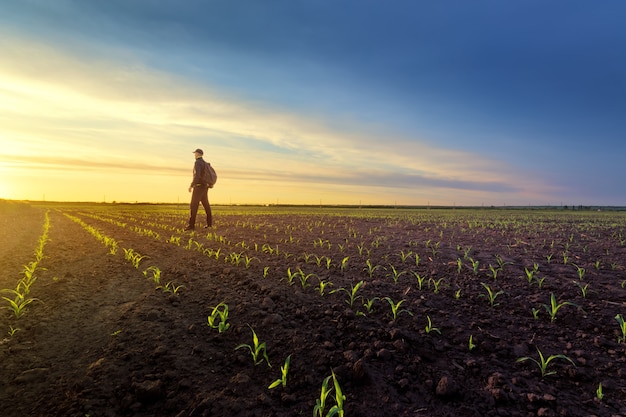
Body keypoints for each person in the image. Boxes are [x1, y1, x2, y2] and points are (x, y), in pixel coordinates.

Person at [185, 148, 212, 230]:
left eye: (195, 153)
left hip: (199, 186)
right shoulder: (205, 163)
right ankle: (209, 224)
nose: (194, 155)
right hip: (205, 186)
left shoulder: (198, 162)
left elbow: (197, 175)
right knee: (206, 205)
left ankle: (191, 225)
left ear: (198, 154)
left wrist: (191, 185)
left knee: (193, 205)